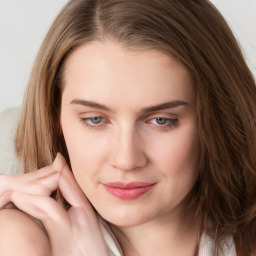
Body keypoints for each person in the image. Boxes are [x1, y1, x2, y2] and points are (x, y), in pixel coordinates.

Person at [0, 0, 255, 255]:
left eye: (161, 120)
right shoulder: (18, 241)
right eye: (95, 119)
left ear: (215, 119)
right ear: (56, 119)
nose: (126, 160)